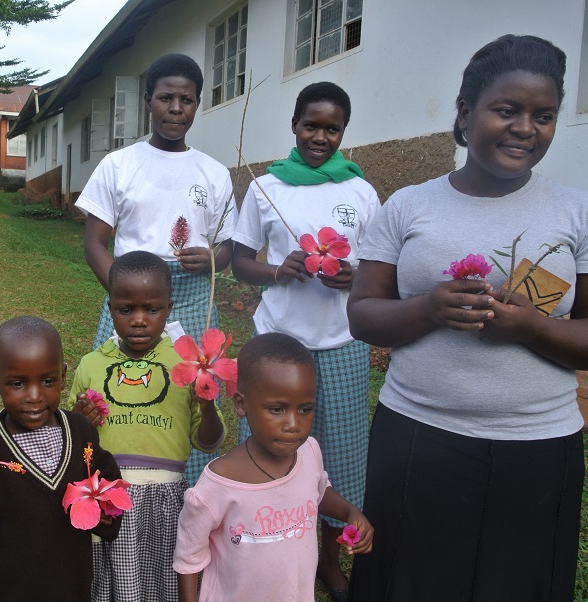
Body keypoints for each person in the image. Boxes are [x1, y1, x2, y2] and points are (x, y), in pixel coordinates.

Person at [347, 35, 588, 601]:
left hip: (539, 446)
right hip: (418, 436)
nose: (526, 127)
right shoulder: (408, 207)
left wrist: (532, 327)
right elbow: (364, 315)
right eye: (507, 110)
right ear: (466, 114)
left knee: (519, 584)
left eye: (543, 116)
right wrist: (428, 308)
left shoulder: (581, 213)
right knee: (409, 582)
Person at [230, 81, 379, 600]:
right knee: (274, 449)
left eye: (332, 128)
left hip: (341, 343)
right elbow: (239, 260)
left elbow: (379, 268)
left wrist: (354, 276)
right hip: (277, 343)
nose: (321, 136)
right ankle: (266, 544)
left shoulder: (359, 190)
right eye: (311, 125)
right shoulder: (267, 187)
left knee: (338, 456)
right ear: (294, 126)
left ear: (344, 132)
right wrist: (277, 270)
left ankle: (329, 562)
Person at [74, 53, 238, 484]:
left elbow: (229, 250)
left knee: (196, 393)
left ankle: (192, 494)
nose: (176, 108)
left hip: (194, 296)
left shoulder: (215, 173)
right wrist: (124, 296)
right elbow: (95, 242)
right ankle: (116, 482)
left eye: (186, 99)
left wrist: (211, 260)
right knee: (118, 389)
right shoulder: (119, 165)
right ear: (148, 100)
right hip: (133, 295)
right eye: (166, 97)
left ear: (198, 104)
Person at [0, 316, 123, 601]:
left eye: (48, 381)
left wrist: (107, 513)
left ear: (63, 376)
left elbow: (104, 479)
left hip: (71, 588)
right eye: (17, 383)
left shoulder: (80, 431)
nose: (35, 396)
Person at [70, 251, 225, 602]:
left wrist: (208, 408)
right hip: (108, 497)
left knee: (164, 582)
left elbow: (209, 442)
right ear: (110, 308)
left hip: (165, 498)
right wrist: (80, 421)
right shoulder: (91, 364)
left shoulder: (186, 365)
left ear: (169, 309)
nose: (139, 320)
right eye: (126, 310)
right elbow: (73, 441)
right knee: (112, 583)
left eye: (151, 310)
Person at [173, 333, 374, 601]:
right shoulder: (218, 483)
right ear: (241, 404)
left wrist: (349, 512)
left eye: (305, 409)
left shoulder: (310, 451)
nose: (293, 424)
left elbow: (318, 490)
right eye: (277, 409)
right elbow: (189, 558)